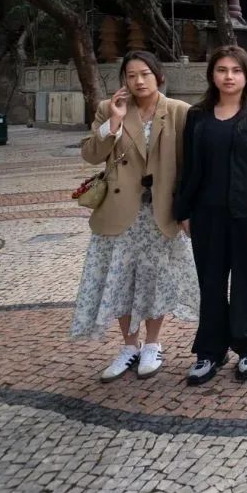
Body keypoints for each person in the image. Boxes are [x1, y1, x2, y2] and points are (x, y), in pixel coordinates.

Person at [72, 51, 197, 382]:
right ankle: (129, 346)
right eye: (131, 75)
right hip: (120, 210)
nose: (138, 81)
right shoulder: (109, 108)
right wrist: (113, 124)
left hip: (160, 211)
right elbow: (90, 154)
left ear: (159, 76)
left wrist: (187, 209)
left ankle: (153, 343)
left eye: (145, 74)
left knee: (154, 278)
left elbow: (190, 164)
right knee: (121, 278)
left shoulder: (179, 111)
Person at [175, 46, 247, 385]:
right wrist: (183, 209)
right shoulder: (198, 115)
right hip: (205, 213)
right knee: (210, 282)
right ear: (212, 75)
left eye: (236, 70)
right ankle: (210, 350)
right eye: (222, 70)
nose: (229, 76)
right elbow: (188, 166)